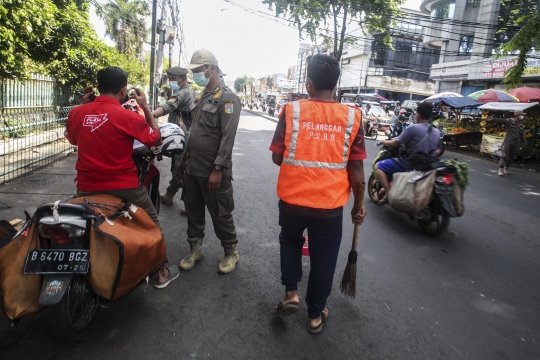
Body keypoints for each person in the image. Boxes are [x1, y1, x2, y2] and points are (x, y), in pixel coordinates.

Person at [268, 54, 367, 334]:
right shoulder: (352, 116)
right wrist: (359, 205)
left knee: (289, 240)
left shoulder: (291, 111)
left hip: (293, 201)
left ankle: (291, 293)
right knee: (324, 259)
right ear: (335, 85)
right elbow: (357, 169)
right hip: (330, 207)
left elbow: (277, 159)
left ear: (309, 84)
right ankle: (314, 316)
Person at [65, 66, 180, 288]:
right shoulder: (126, 115)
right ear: (123, 90)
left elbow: (73, 139)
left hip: (87, 188)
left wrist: (87, 105)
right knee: (152, 223)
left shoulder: (77, 112)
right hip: (123, 187)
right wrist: (145, 106)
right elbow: (154, 139)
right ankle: (161, 272)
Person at [176, 49, 241, 274]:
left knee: (221, 214)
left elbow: (227, 137)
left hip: (213, 171)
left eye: (198, 70)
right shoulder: (202, 96)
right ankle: (195, 249)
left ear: (211, 69)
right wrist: (183, 162)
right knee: (193, 210)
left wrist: (218, 169)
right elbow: (193, 133)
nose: (195, 74)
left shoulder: (228, 98)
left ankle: (230, 252)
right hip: (193, 168)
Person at [375, 102, 440, 205]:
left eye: (416, 113)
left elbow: (395, 143)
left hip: (408, 164)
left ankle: (388, 193)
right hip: (427, 166)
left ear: (418, 114)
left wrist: (383, 141)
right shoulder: (437, 132)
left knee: (378, 166)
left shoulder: (413, 128)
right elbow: (437, 150)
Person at [152, 67, 195, 213]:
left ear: (183, 79)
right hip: (180, 135)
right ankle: (169, 195)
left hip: (182, 136)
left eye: (173, 79)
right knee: (176, 167)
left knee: (179, 169)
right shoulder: (187, 91)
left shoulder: (183, 93)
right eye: (170, 79)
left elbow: (168, 106)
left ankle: (190, 202)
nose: (171, 82)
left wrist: (151, 116)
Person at [486, 111, 527, 176]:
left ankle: (506, 168)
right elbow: (502, 120)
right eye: (522, 115)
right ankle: (500, 169)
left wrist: (524, 142)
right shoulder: (510, 121)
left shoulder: (520, 124)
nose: (523, 117)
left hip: (515, 143)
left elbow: (522, 134)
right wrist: (493, 119)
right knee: (504, 156)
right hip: (508, 142)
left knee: (511, 157)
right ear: (517, 115)